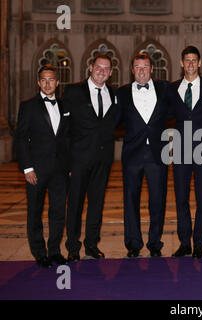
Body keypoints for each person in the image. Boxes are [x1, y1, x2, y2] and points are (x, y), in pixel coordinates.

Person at [168, 46, 202, 259]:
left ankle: (199, 243)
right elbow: (163, 112)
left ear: (199, 63)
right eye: (187, 60)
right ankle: (184, 243)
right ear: (181, 63)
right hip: (180, 146)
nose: (191, 64)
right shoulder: (172, 89)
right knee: (180, 196)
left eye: (194, 60)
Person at [63, 54, 118, 262]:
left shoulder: (113, 94)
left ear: (111, 73)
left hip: (103, 160)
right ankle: (73, 246)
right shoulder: (73, 91)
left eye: (106, 69)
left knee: (97, 204)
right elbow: (65, 129)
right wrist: (66, 162)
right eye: (98, 67)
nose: (101, 71)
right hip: (78, 160)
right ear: (90, 68)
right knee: (75, 204)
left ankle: (92, 245)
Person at [116, 53, 170, 258]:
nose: (141, 71)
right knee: (131, 200)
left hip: (158, 153)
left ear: (151, 69)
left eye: (145, 67)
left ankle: (155, 242)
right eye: (137, 67)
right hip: (132, 154)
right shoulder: (121, 93)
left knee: (158, 199)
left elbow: (179, 111)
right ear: (132, 70)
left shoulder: (165, 89)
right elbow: (112, 120)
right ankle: (133, 243)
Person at [16, 64, 70, 268]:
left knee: (58, 211)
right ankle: (39, 252)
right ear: (39, 82)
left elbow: (68, 138)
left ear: (57, 82)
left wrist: (70, 166)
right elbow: (21, 139)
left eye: (51, 80)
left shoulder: (65, 106)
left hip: (60, 170)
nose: (48, 83)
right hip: (36, 170)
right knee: (35, 212)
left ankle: (55, 250)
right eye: (44, 80)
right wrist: (27, 168)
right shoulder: (28, 106)